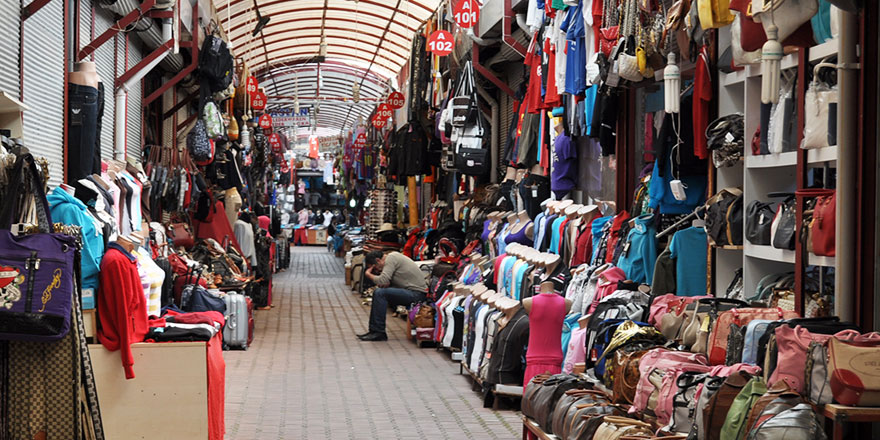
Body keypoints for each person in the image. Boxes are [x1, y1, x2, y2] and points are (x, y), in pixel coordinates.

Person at [357, 251, 428, 341]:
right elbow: (385, 281)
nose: (377, 271)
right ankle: (374, 331)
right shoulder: (391, 259)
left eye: (375, 268)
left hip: (417, 294)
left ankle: (378, 332)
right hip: (411, 292)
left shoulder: (391, 258)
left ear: (378, 260)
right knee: (380, 293)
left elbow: (382, 280)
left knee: (380, 293)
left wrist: (369, 275)